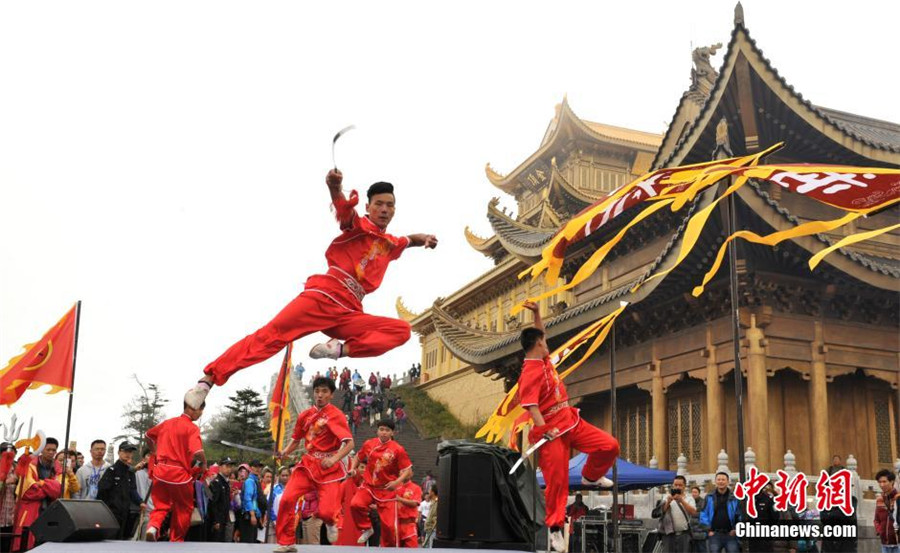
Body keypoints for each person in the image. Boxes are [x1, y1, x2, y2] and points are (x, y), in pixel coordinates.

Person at [185, 170, 438, 408]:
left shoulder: (391, 243)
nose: (384, 209)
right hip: (322, 296)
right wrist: (335, 188)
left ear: (394, 209)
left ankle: (338, 349)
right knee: (269, 336)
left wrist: (424, 238)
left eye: (389, 205)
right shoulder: (358, 225)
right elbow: (343, 214)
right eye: (379, 204)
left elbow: (410, 240)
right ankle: (207, 380)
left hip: (348, 312)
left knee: (402, 331)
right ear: (368, 207)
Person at [517, 301, 619, 553]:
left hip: (571, 420)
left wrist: (538, 313)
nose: (547, 342)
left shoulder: (543, 361)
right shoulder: (529, 373)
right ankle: (554, 529)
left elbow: (541, 333)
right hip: (552, 433)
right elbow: (532, 407)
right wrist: (545, 431)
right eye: (544, 340)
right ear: (538, 344)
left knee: (610, 445)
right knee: (558, 482)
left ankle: (591, 475)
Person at [274, 376, 354, 552]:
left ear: (331, 394)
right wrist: (284, 452)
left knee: (325, 512)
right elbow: (295, 440)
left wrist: (334, 459)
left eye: (324, 391)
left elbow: (349, 443)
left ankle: (332, 521)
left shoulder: (336, 415)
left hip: (328, 467)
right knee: (286, 499)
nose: (320, 395)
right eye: (317, 391)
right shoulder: (305, 415)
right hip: (307, 465)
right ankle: (286, 542)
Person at [144, 400, 207, 543]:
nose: (200, 413)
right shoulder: (192, 428)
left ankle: (153, 527)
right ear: (193, 407)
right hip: (179, 473)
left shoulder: (167, 423)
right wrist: (204, 463)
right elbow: (197, 452)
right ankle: (176, 540)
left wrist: (154, 451)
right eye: (200, 410)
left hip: (160, 471)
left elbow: (148, 436)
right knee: (184, 508)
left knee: (160, 505)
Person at [350, 419, 412, 546]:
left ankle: (389, 548)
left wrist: (396, 482)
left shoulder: (398, 449)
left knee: (389, 528)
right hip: (369, 485)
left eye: (387, 430)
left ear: (392, 433)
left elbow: (407, 470)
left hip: (387, 489)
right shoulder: (369, 443)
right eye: (381, 429)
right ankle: (366, 528)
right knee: (355, 504)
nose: (384, 433)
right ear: (377, 431)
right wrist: (352, 468)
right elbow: (358, 456)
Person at [12, 437, 63, 551]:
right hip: (29, 509)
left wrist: (40, 483)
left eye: (54, 450)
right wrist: (49, 486)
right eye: (48, 449)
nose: (51, 452)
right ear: (41, 449)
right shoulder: (30, 464)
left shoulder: (58, 467)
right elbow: (28, 491)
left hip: (50, 510)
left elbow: (58, 490)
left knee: (46, 544)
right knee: (25, 542)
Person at [97, 441, 144, 539]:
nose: (128, 454)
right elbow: (102, 491)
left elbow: (132, 490)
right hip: (111, 513)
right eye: (126, 451)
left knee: (122, 541)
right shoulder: (111, 471)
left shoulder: (130, 472)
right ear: (119, 452)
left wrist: (140, 502)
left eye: (130, 452)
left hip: (126, 513)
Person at [653, 475, 697, 553]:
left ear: (684, 486)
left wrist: (682, 501)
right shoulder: (666, 496)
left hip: (684, 534)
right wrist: (668, 502)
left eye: (680, 485)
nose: (677, 487)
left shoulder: (689, 498)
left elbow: (693, 512)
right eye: (675, 485)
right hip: (668, 534)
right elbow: (660, 512)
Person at [699, 472, 740, 553]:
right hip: (715, 534)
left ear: (728, 482)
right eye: (719, 479)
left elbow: (740, 514)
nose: (721, 481)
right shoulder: (709, 497)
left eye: (723, 480)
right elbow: (703, 514)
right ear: (715, 482)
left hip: (730, 534)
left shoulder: (734, 497)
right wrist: (708, 530)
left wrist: (736, 529)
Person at [208, 457, 236, 542]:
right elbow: (213, 503)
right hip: (218, 521)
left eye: (230, 466)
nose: (229, 469)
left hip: (224, 519)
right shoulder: (216, 482)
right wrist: (215, 521)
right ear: (220, 467)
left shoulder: (225, 482)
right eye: (226, 466)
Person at [238, 460, 263, 543]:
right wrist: (252, 515)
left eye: (259, 467)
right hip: (248, 516)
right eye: (256, 466)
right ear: (251, 468)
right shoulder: (250, 481)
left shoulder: (256, 480)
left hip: (255, 515)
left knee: (253, 541)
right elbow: (248, 499)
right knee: (248, 542)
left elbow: (256, 500)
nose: (258, 469)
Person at [875, 469, 899, 553]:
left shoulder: (898, 498)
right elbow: (876, 519)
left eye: (884, 481)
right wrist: (880, 531)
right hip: (884, 544)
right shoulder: (879, 500)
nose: (882, 484)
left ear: (892, 481)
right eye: (879, 482)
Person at [395, 476, 422, 548]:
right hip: (396, 526)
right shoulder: (394, 487)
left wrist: (399, 499)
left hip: (409, 526)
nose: (404, 473)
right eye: (402, 471)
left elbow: (415, 503)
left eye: (406, 470)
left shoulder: (416, 488)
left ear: (411, 473)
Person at [0, 442, 17, 553]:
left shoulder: (17, 469)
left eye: (13, 455)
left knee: (7, 546)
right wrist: (5, 482)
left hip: (11, 515)